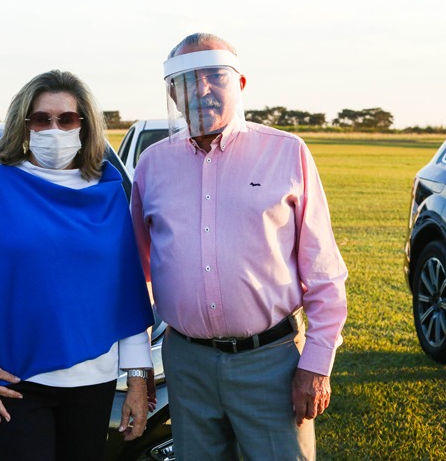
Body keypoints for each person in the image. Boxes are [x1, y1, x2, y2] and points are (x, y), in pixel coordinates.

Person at [131, 33, 348, 460]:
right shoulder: (153, 164)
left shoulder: (287, 153)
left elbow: (324, 272)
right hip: (187, 363)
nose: (202, 89)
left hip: (271, 361)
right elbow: (137, 275)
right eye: (187, 80)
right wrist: (139, 368)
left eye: (214, 75)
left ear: (240, 83)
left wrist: (317, 364)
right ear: (173, 93)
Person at [0, 70, 155, 461]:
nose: (54, 129)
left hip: (94, 379)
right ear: (24, 125)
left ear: (84, 125)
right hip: (13, 377)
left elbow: (126, 292)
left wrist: (136, 379)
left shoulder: (108, 190)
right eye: (41, 119)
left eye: (66, 119)